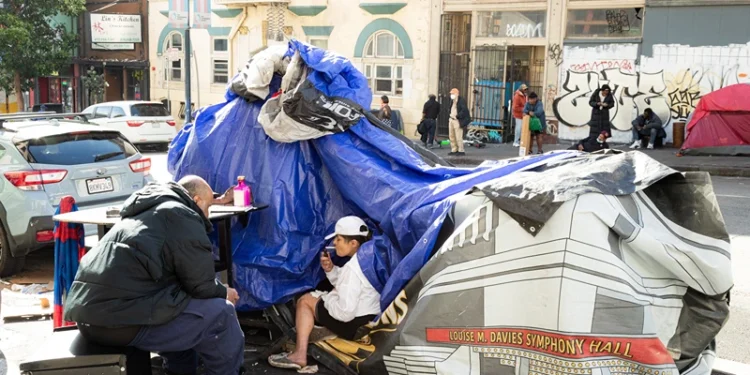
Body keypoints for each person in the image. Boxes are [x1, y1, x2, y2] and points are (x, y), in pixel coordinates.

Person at [64, 176, 244, 375]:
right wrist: (224, 292)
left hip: (90, 318)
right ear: (196, 200)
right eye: (208, 206)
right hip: (117, 321)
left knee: (180, 308)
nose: (208, 215)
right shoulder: (181, 215)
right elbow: (202, 286)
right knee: (221, 312)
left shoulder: (144, 212)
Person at [269, 216, 380, 373]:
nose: (334, 243)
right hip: (369, 317)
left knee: (305, 301)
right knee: (325, 297)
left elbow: (345, 312)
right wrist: (331, 270)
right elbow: (351, 284)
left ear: (353, 243)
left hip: (353, 324)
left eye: (339, 239)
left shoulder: (352, 269)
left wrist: (325, 299)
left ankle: (299, 355)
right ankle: (323, 330)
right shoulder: (369, 256)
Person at [448, 88, 471, 156]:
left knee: (458, 136)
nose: (451, 95)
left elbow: (464, 110)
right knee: (451, 136)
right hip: (451, 119)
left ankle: (461, 150)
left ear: (457, 94)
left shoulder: (461, 101)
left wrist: (458, 116)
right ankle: (454, 149)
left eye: (453, 93)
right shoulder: (452, 101)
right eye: (451, 94)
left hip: (457, 120)